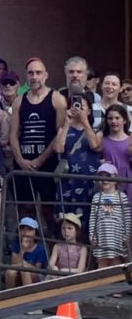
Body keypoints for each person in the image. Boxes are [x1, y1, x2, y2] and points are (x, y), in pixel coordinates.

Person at [9, 57, 66, 231]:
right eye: (31, 73)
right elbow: (13, 134)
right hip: (23, 164)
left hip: (48, 164)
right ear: (26, 75)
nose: (34, 77)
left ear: (46, 75)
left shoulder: (57, 99)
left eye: (38, 73)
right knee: (25, 210)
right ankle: (27, 246)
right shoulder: (19, 100)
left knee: (50, 211)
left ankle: (52, 245)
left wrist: (40, 160)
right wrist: (20, 160)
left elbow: (59, 134)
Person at [54, 90, 101, 230]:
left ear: (89, 110)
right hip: (67, 182)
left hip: (89, 183)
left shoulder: (96, 130)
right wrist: (67, 123)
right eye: (74, 105)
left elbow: (95, 145)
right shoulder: (63, 129)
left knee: (88, 219)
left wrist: (85, 121)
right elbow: (58, 148)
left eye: (81, 105)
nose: (77, 108)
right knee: (66, 219)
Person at [89, 163, 131, 270]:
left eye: (108, 176)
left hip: (116, 234)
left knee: (116, 260)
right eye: (101, 176)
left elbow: (127, 218)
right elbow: (93, 218)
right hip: (101, 234)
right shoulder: (96, 197)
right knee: (101, 260)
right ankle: (101, 280)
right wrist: (92, 236)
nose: (104, 180)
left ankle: (117, 280)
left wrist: (127, 235)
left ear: (115, 179)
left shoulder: (122, 197)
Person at [98, 103, 132, 206]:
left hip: (128, 179)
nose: (113, 121)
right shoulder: (103, 140)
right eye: (110, 118)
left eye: (117, 118)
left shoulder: (130, 141)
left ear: (124, 120)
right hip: (109, 182)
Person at [5, 216, 48, 288]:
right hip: (18, 270)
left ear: (35, 232)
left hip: (35, 275)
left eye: (29, 229)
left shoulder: (40, 248)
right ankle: (9, 294)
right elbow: (13, 263)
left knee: (24, 271)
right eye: (22, 229)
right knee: (10, 272)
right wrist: (23, 250)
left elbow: (37, 269)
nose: (25, 232)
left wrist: (24, 264)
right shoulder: (16, 245)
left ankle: (28, 294)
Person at [47, 212, 87, 278]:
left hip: (74, 277)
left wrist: (64, 270)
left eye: (69, 228)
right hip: (57, 276)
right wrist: (54, 268)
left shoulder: (82, 249)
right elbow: (51, 264)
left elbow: (80, 270)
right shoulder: (57, 246)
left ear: (77, 231)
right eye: (63, 228)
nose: (66, 231)